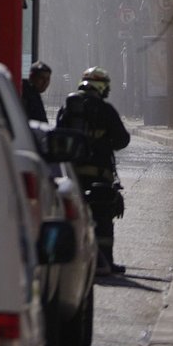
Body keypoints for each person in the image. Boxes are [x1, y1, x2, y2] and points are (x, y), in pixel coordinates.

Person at [56, 66, 131, 275]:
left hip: (72, 175)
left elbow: (59, 135)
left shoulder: (68, 108)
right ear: (101, 86)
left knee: (70, 218)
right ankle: (105, 262)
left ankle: (69, 261)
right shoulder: (105, 110)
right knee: (103, 220)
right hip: (100, 177)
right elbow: (122, 140)